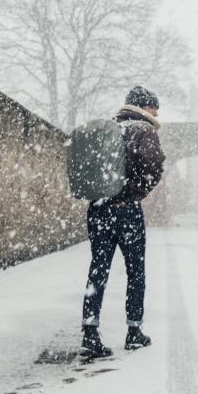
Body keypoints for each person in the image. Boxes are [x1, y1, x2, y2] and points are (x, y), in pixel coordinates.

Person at [80, 86, 166, 358]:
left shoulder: (108, 128)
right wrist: (131, 194)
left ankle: (90, 331)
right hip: (125, 210)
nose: (157, 113)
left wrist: (104, 196)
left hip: (97, 208)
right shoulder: (143, 130)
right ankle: (134, 331)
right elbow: (153, 169)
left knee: (98, 269)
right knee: (135, 270)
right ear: (145, 107)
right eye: (155, 107)